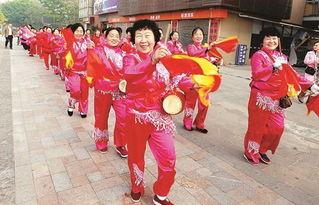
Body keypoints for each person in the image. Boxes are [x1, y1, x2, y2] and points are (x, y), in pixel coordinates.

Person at [123, 19, 186, 205]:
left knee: (168, 158)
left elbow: (179, 78)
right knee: (136, 156)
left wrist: (196, 84)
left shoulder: (166, 57)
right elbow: (130, 75)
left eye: (147, 35)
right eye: (139, 36)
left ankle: (160, 194)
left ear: (156, 37)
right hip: (137, 117)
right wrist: (152, 61)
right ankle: (136, 187)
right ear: (133, 39)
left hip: (161, 119)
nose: (143, 40)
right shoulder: (130, 58)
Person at [243, 27, 318, 165]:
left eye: (274, 38)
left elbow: (292, 75)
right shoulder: (258, 55)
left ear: (278, 40)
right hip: (261, 97)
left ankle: (262, 149)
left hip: (277, 98)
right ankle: (251, 151)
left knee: (277, 127)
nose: (272, 41)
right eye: (268, 38)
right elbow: (256, 74)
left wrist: (309, 85)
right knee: (257, 127)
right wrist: (272, 67)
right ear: (262, 40)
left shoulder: (282, 57)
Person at [88, 27, 128, 157]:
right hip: (103, 90)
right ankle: (101, 141)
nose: (114, 38)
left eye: (117, 36)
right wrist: (88, 50)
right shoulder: (98, 51)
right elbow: (89, 65)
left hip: (120, 91)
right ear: (105, 37)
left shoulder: (124, 54)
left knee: (123, 117)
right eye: (111, 35)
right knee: (101, 117)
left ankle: (121, 144)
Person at [183, 27, 216, 133]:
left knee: (204, 103)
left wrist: (213, 59)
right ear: (193, 37)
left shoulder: (205, 48)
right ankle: (187, 121)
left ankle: (199, 123)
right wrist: (207, 50)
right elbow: (193, 55)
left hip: (204, 79)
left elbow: (206, 60)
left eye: (200, 34)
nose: (198, 36)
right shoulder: (190, 47)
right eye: (196, 34)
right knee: (190, 102)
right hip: (193, 78)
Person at [66, 23, 92, 118]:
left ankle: (83, 110)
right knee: (75, 90)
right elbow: (63, 54)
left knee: (85, 92)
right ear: (73, 32)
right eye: (77, 31)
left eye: (81, 31)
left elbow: (94, 55)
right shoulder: (69, 42)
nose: (79, 33)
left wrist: (92, 48)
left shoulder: (87, 42)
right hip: (74, 71)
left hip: (85, 72)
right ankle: (71, 104)